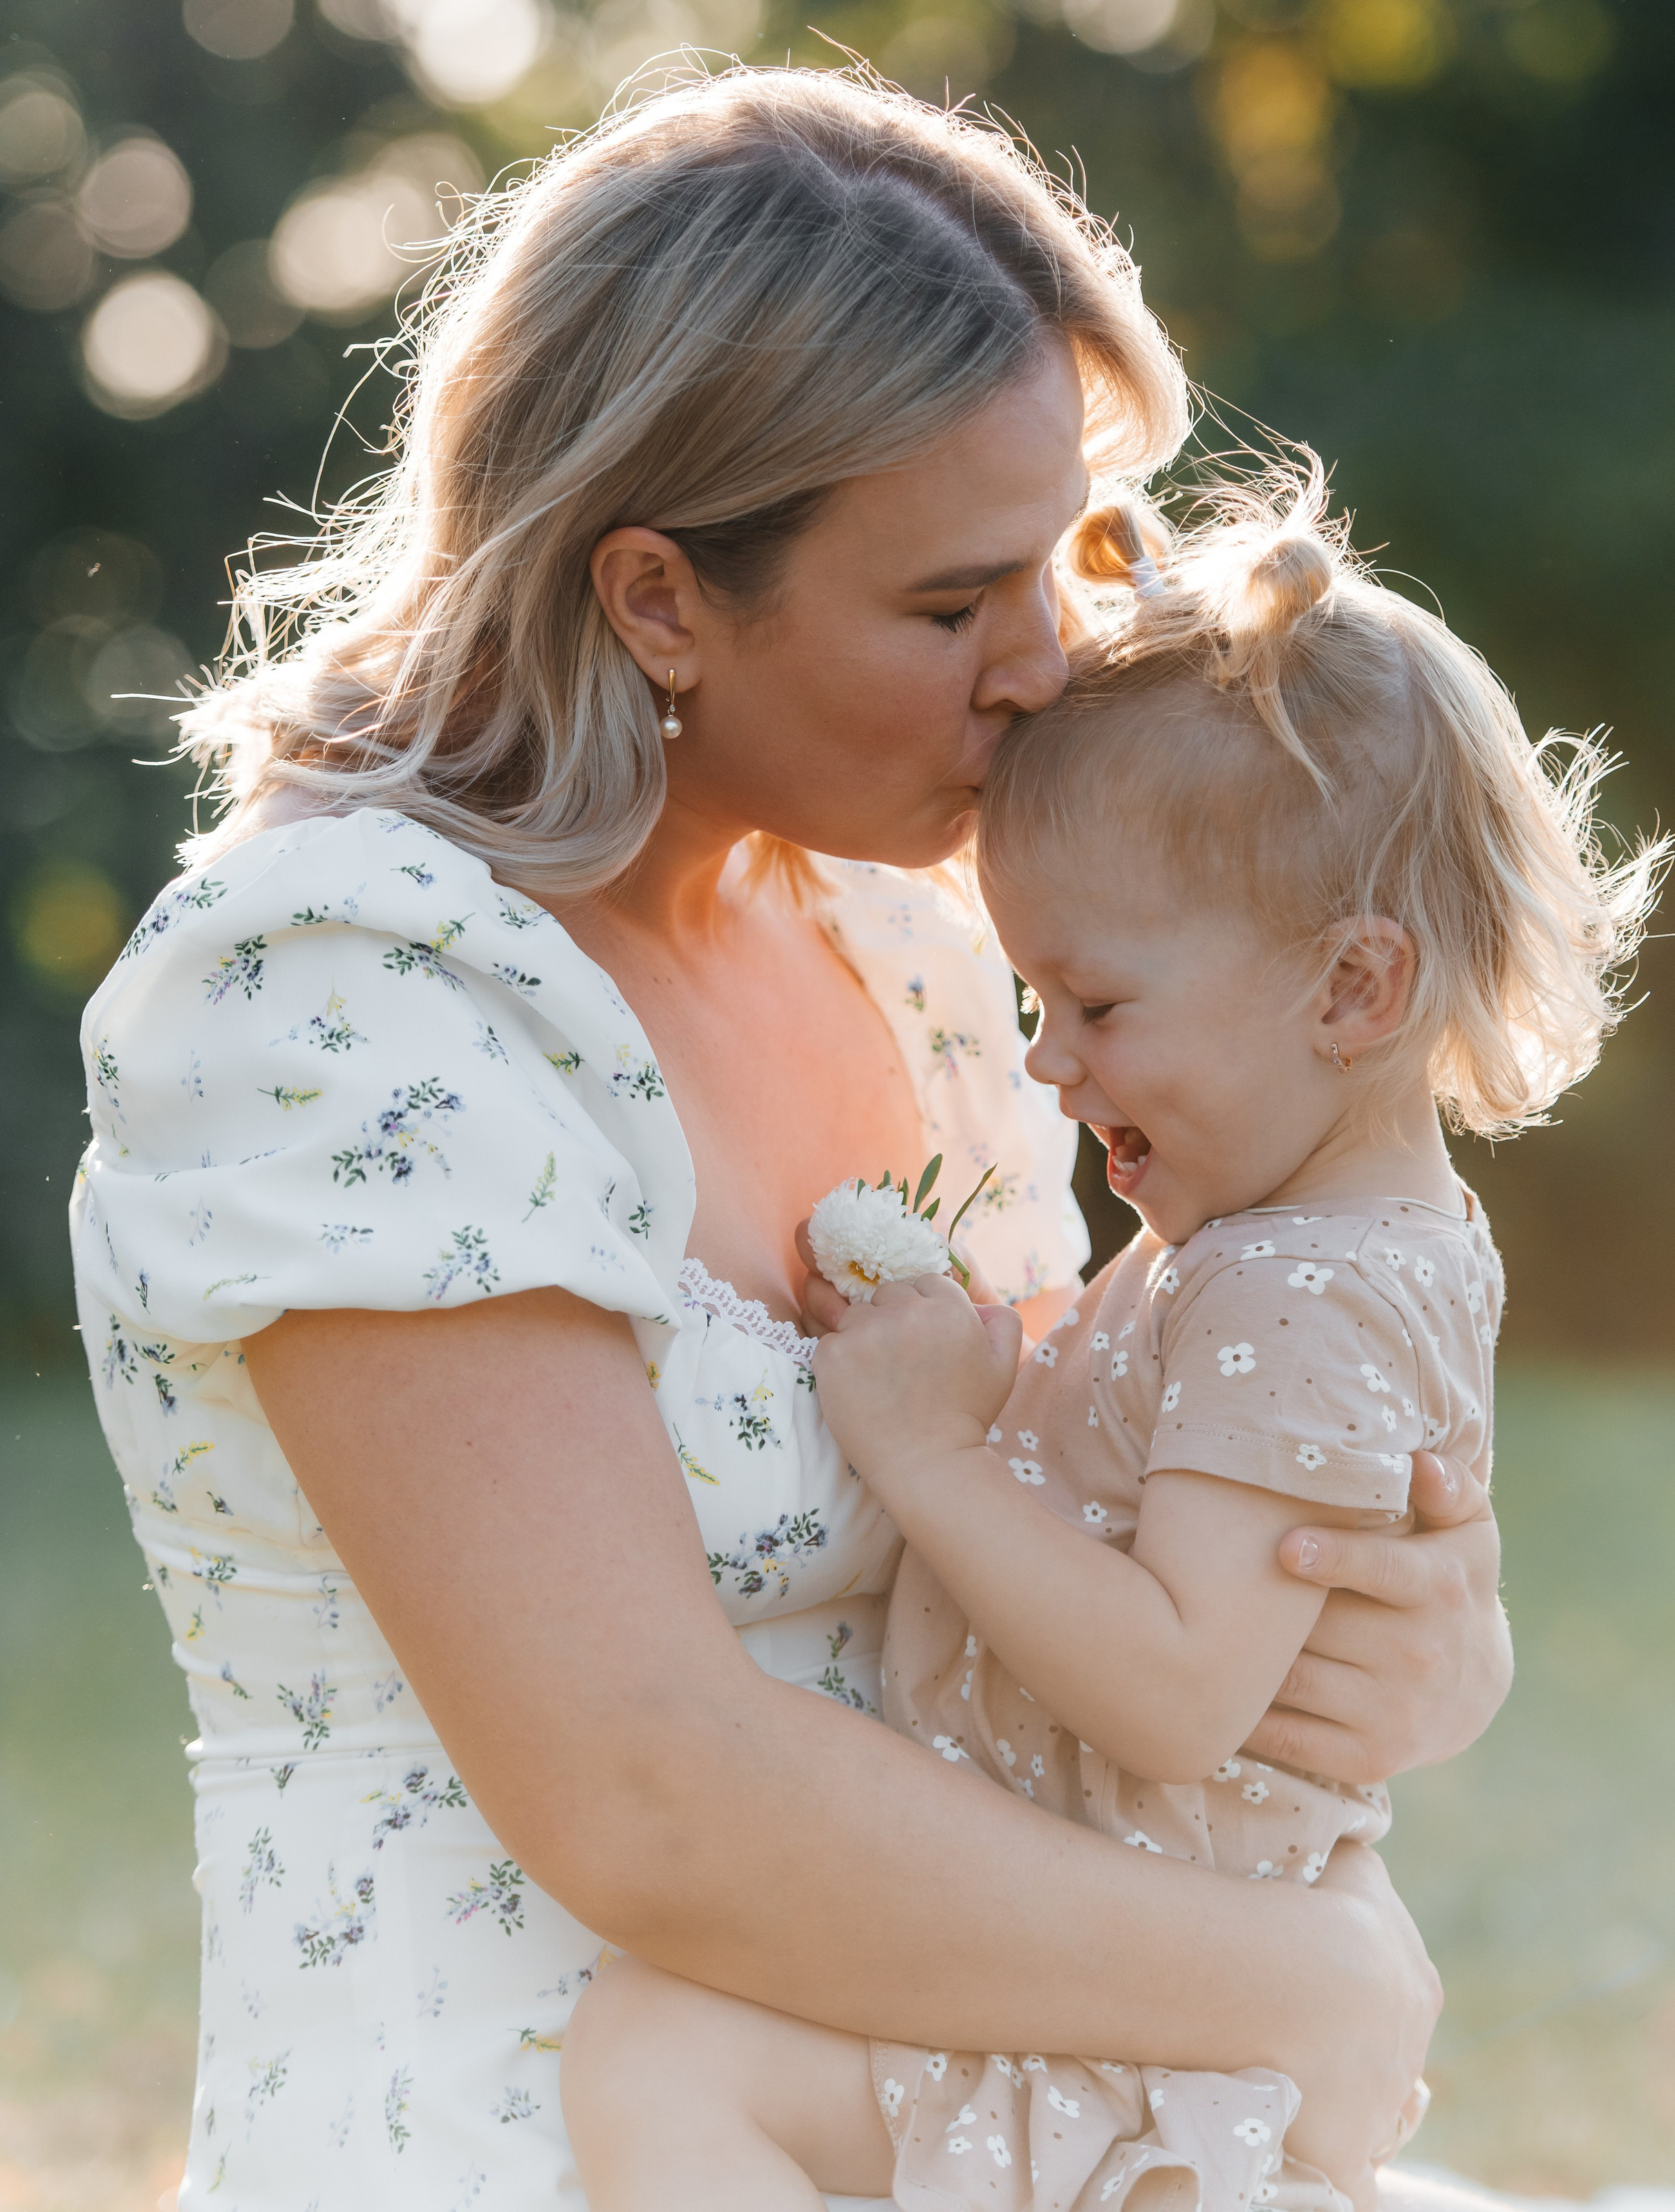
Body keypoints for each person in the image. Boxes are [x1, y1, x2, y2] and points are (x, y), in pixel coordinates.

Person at [71, 68, 1513, 2209]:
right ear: (659, 598)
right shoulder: (338, 991)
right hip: (547, 2131)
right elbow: (651, 1797)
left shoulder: (919, 938)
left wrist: (1411, 1627)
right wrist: (1311, 1987)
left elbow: (1126, 1512)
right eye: (950, 607)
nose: (1041, 669)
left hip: (1006, 2114)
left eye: (1056, 566)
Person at [559, 461, 1667, 2212]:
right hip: (1143, 1964)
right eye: (1031, 1001)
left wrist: (925, 1450)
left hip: (1131, 2007)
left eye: (1095, 1001)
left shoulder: (1290, 1285)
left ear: (1350, 987)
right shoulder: (1287, 1241)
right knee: (667, 2053)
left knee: (658, 2060)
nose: (1051, 1062)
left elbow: (1176, 1686)